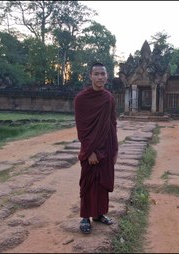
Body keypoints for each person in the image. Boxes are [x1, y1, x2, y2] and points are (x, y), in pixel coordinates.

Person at [74, 62, 119, 234]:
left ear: (107, 76)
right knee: (88, 181)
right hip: (90, 148)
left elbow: (112, 123)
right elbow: (82, 127)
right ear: (90, 76)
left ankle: (99, 214)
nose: (100, 77)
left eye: (103, 74)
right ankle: (85, 216)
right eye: (97, 74)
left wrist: (115, 149)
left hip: (107, 145)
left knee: (102, 182)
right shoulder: (81, 99)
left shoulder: (108, 97)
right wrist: (89, 151)